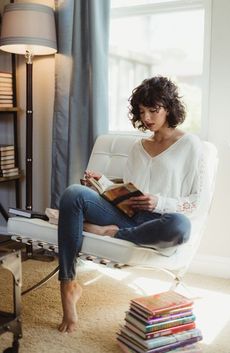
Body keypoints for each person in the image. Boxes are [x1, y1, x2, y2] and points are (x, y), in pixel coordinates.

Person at [57, 76, 203, 333]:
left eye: (153, 110)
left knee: (180, 226)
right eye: (142, 112)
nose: (146, 118)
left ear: (168, 107)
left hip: (159, 222)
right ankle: (68, 284)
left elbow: (195, 203)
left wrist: (159, 201)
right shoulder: (139, 146)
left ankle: (112, 233)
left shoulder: (189, 145)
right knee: (74, 193)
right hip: (127, 215)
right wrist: (101, 186)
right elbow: (126, 192)